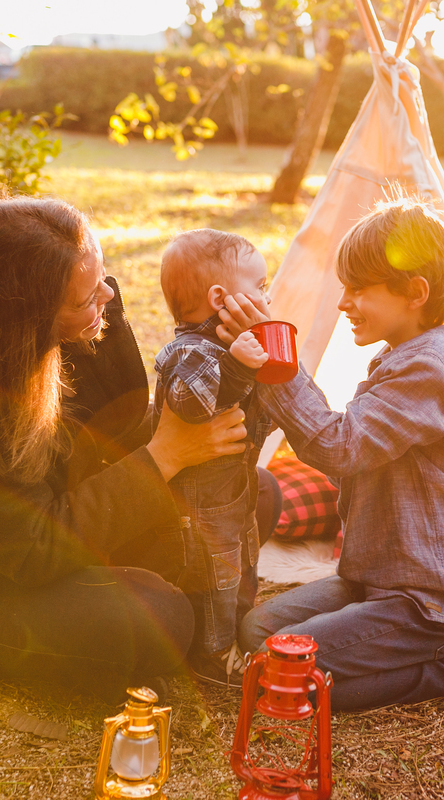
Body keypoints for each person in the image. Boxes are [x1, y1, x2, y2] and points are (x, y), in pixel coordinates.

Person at [0, 197, 258, 699]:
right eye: (85, 299)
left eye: (103, 279)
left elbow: (121, 427)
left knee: (245, 494)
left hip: (76, 528)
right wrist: (167, 456)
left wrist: (227, 354)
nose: (106, 294)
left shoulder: (80, 305)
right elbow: (31, 551)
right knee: (162, 618)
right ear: (24, 320)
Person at [229, 198, 444, 711]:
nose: (343, 303)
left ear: (414, 293)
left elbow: (340, 446)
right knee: (259, 629)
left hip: (431, 600)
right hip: (378, 581)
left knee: (288, 674)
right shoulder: (403, 357)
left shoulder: (433, 369)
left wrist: (278, 366)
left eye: (358, 288)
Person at [152, 229, 274, 687]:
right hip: (201, 505)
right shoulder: (189, 351)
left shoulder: (227, 344)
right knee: (214, 576)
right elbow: (189, 403)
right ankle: (212, 654)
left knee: (242, 562)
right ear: (220, 297)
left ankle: (238, 632)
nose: (267, 294)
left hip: (234, 491)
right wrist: (239, 367)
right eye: (260, 285)